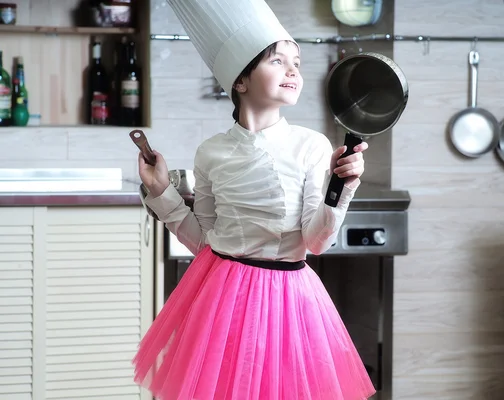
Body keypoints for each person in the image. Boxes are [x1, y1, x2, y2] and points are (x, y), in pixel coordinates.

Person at [132, 0, 375, 399]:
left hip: (290, 304)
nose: (293, 70)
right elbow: (205, 242)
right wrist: (161, 191)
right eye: (277, 61)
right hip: (221, 301)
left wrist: (342, 187)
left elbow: (316, 242)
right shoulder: (211, 152)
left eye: (296, 61)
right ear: (240, 81)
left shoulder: (311, 146)